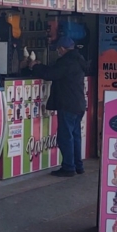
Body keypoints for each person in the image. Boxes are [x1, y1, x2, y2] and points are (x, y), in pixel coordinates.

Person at [29, 36, 88, 177]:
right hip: (78, 103)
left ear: (62, 49)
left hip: (68, 104)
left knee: (65, 137)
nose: (58, 51)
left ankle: (68, 167)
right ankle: (78, 165)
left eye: (58, 49)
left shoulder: (66, 61)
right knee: (75, 136)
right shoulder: (79, 59)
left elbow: (51, 74)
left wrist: (35, 66)